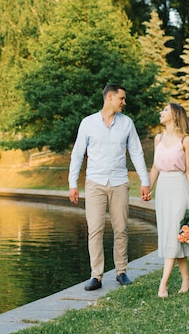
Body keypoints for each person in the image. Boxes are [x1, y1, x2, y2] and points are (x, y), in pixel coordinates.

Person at [68, 83, 151, 291]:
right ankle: (96, 275)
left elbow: (136, 153)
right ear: (110, 97)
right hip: (95, 183)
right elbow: (77, 154)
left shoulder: (127, 123)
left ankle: (121, 272)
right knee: (95, 230)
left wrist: (145, 181)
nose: (124, 102)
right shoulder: (88, 123)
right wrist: (72, 184)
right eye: (122, 98)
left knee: (121, 228)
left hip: (119, 182)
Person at [148, 102, 189, 298]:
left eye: (165, 110)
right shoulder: (158, 139)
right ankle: (186, 279)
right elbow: (155, 167)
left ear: (176, 115)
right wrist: (148, 187)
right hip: (163, 189)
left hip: (179, 188)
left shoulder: (186, 140)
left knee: (173, 235)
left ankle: (163, 284)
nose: (161, 113)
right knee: (175, 238)